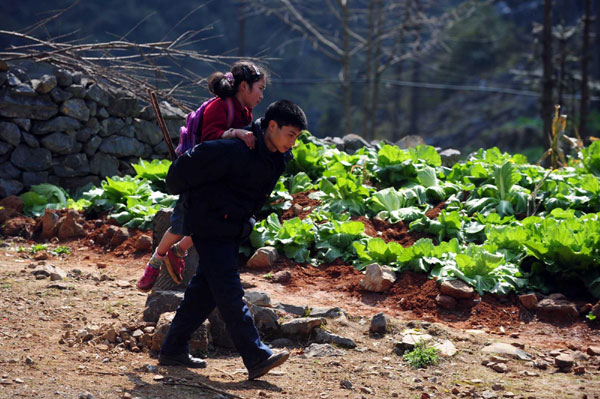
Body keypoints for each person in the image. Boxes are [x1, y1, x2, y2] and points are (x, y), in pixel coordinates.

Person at [157, 99, 308, 380]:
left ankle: (173, 348)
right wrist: (197, 208)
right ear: (271, 126)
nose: (293, 143)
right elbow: (182, 173)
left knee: (205, 291)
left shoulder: (275, 157)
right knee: (229, 291)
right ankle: (257, 355)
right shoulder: (234, 149)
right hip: (209, 225)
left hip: (231, 228)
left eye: (297, 137)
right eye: (291, 135)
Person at [136, 61, 267, 292]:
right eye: (260, 88)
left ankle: (180, 251)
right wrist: (236, 133)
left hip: (220, 178)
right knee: (179, 224)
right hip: (199, 175)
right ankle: (156, 261)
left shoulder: (245, 111)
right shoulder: (220, 107)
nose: (262, 95)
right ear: (244, 86)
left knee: (213, 222)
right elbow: (209, 139)